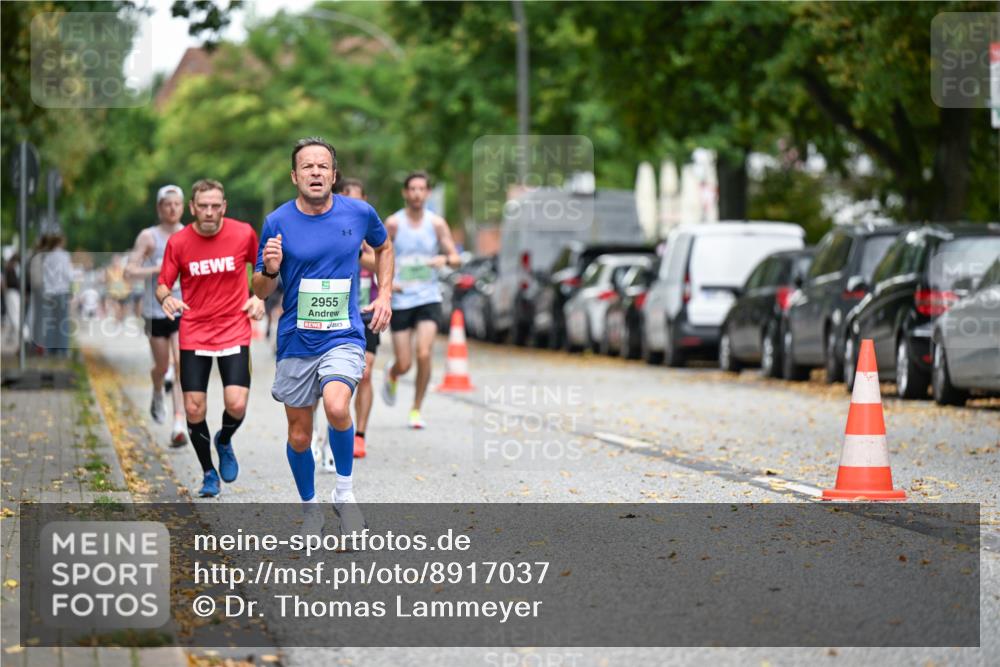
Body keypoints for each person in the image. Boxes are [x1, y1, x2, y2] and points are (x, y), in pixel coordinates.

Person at [252, 137, 393, 532]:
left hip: (343, 334)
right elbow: (260, 290)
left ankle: (344, 495)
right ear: (294, 175)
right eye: (307, 167)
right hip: (297, 338)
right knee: (299, 435)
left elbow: (384, 248)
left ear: (334, 174)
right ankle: (310, 508)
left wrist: (385, 294)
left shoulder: (360, 213)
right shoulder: (277, 222)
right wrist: (269, 268)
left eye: (322, 166)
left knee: (335, 406)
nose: (315, 172)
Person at [157, 179, 264, 497]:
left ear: (224, 207)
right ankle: (208, 473)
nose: (209, 212)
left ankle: (224, 439)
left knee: (237, 402)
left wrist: (260, 298)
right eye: (202, 206)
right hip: (195, 331)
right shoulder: (178, 242)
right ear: (192, 208)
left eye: (215, 206)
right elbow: (163, 283)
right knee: (193, 408)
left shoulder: (244, 233)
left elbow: (263, 273)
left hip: (234, 327)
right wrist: (166, 298)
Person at [381, 171, 460, 428]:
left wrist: (445, 259)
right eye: (412, 189)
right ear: (405, 193)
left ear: (427, 193)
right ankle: (393, 372)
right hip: (402, 298)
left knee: (424, 353)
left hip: (428, 296)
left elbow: (456, 257)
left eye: (421, 189)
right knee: (405, 363)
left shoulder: (436, 224)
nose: (416, 193)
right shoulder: (393, 223)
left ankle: (416, 409)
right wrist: (388, 283)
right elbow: (377, 254)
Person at [310, 177, 378, 465]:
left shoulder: (370, 231)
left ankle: (357, 433)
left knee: (363, 374)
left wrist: (357, 250)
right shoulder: (328, 228)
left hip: (366, 312)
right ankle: (318, 433)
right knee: (322, 382)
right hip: (329, 313)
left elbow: (382, 261)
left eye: (357, 198)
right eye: (346, 198)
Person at [126, 184, 188, 446]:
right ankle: (156, 390)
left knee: (180, 364)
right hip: (154, 311)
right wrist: (157, 269)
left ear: (184, 207)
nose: (172, 208)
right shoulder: (148, 237)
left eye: (177, 204)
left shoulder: (189, 234)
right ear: (159, 208)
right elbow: (128, 272)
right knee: (163, 367)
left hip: (183, 308)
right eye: (167, 204)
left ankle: (178, 424)